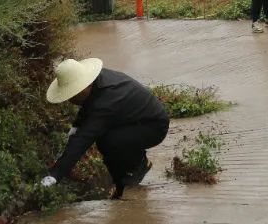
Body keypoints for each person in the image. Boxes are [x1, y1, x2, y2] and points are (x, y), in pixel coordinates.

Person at [40, 58, 170, 198]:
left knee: (108, 141)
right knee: (106, 141)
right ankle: (120, 181)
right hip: (131, 120)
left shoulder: (107, 100)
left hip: (153, 126)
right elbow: (88, 106)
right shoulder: (96, 81)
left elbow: (83, 140)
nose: (71, 100)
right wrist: (76, 126)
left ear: (84, 86)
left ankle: (138, 165)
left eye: (73, 95)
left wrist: (55, 175)